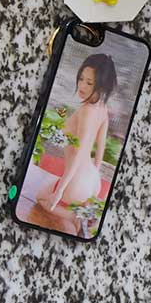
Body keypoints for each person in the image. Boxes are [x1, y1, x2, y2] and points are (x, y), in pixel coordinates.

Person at [39, 53, 118, 236]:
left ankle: (74, 217)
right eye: (81, 79)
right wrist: (93, 180)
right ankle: (80, 217)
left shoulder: (86, 111)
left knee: (41, 198)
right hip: (92, 179)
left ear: (101, 86)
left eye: (89, 83)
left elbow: (80, 152)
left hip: (76, 180)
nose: (82, 86)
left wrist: (60, 191)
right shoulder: (102, 108)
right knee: (47, 191)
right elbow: (100, 147)